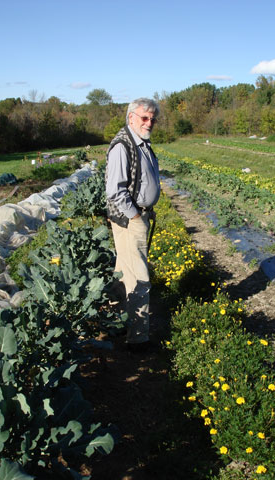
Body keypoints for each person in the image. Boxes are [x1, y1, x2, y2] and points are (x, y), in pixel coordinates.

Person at [105, 98, 160, 352]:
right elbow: (115, 192)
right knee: (139, 277)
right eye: (144, 118)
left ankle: (114, 321)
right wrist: (136, 217)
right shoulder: (122, 146)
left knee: (122, 272)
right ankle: (138, 339)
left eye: (152, 119)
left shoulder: (141, 142)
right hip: (130, 220)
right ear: (131, 117)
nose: (149, 123)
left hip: (138, 216)